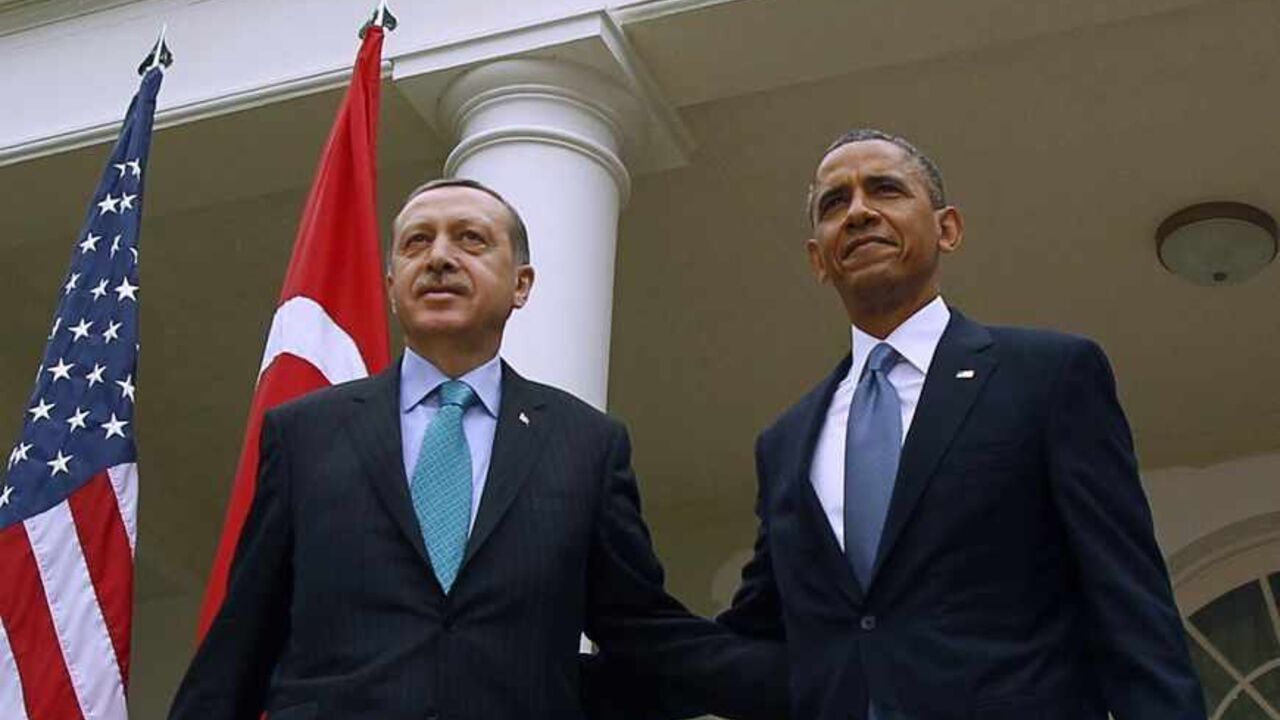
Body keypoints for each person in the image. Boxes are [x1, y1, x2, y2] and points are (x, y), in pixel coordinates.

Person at [167, 178, 787, 720]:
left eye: (470, 240)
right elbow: (239, 645)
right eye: (417, 242)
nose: (439, 258)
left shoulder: (585, 445)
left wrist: (810, 676)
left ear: (521, 285)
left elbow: (648, 637)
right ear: (391, 284)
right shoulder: (305, 434)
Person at [716, 129, 1207, 720]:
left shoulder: (1048, 378)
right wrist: (581, 663)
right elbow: (753, 641)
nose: (859, 212)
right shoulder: (786, 443)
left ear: (948, 229)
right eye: (834, 203)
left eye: (886, 190)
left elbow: (1131, 607)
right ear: (818, 258)